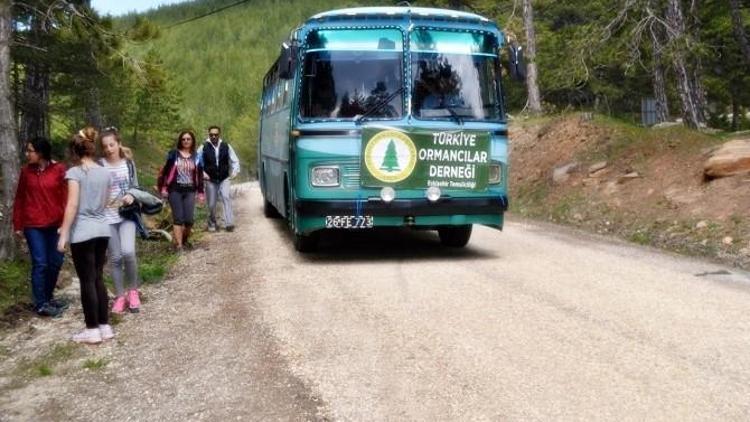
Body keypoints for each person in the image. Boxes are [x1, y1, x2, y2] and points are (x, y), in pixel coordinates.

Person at [57, 127, 114, 344]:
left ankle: (91, 329)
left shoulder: (74, 173)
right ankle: (104, 326)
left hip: (83, 232)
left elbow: (72, 205)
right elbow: (106, 202)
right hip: (102, 230)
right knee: (98, 277)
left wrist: (63, 233)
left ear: (75, 151)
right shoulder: (104, 172)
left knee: (87, 281)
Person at [12, 137, 68, 317]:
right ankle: (41, 303)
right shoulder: (26, 172)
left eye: (30, 151)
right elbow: (20, 197)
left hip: (55, 225)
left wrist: (66, 223)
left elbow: (67, 197)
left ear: (41, 152)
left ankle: (49, 297)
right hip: (33, 225)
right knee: (40, 263)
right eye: (27, 150)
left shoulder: (59, 169)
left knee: (56, 262)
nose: (27, 154)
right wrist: (18, 224)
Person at [99, 127, 141, 314]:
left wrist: (131, 195)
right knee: (115, 258)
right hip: (107, 217)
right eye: (105, 146)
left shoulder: (129, 163)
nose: (109, 149)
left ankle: (133, 291)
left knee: (128, 252)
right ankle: (119, 296)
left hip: (126, 215)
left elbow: (136, 187)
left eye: (112, 145)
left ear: (118, 143)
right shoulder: (99, 165)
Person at [157, 130, 205, 251]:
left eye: (188, 139)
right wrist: (164, 188)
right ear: (180, 141)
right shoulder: (174, 154)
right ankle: (179, 247)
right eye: (183, 139)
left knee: (189, 220)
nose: (186, 141)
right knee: (178, 218)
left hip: (190, 190)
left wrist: (200, 192)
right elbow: (166, 172)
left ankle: (183, 240)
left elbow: (199, 175)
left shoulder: (196, 156)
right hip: (174, 190)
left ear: (192, 140)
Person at [197, 126, 239, 232]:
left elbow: (235, 160)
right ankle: (212, 222)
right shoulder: (203, 147)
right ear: (208, 134)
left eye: (216, 134)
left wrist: (234, 172)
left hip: (224, 178)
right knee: (211, 203)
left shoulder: (226, 146)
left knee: (226, 197)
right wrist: (203, 173)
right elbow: (196, 162)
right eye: (211, 134)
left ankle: (229, 223)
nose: (213, 136)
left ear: (219, 134)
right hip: (210, 179)